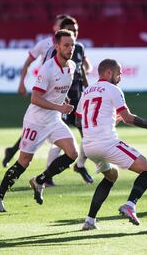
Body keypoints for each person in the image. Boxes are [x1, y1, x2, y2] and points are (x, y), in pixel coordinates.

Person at [0, 29, 79, 212]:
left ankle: (39, 180)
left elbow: (57, 92)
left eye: (72, 45)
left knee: (72, 153)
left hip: (53, 119)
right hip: (36, 120)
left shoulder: (71, 66)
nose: (70, 49)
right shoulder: (47, 69)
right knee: (24, 161)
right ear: (56, 46)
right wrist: (60, 107)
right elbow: (35, 98)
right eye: (66, 45)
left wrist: (64, 101)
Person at [76, 59, 147, 230]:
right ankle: (130, 204)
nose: (120, 77)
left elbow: (78, 119)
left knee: (111, 176)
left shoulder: (86, 91)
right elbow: (128, 118)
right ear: (108, 73)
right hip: (107, 143)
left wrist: (105, 122)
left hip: (89, 147)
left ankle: (89, 220)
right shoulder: (113, 89)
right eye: (119, 74)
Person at [2, 14, 71, 168]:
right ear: (55, 28)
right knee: (37, 123)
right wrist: (21, 83)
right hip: (42, 89)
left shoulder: (69, 47)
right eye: (61, 26)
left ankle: (13, 152)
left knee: (39, 126)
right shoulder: (44, 44)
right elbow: (27, 63)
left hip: (56, 91)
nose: (63, 29)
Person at [43, 16, 94, 186]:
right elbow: (47, 71)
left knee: (88, 137)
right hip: (61, 101)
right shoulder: (54, 51)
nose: (75, 34)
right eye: (71, 31)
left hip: (78, 100)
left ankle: (79, 165)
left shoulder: (79, 48)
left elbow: (82, 70)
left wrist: (88, 89)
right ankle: (48, 174)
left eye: (76, 30)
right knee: (60, 142)